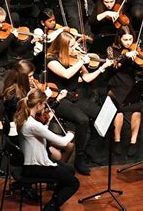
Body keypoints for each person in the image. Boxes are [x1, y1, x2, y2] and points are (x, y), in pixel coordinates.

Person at [46, 31, 113, 175]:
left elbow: (87, 78)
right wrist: (82, 61)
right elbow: (66, 74)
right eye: (71, 46)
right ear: (63, 46)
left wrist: (102, 68)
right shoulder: (51, 59)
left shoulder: (75, 58)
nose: (74, 49)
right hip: (59, 98)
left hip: (74, 96)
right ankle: (79, 157)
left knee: (100, 114)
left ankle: (92, 148)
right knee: (82, 120)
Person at [14, 88, 79, 210]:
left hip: (29, 164)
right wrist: (72, 133)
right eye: (44, 104)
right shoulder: (33, 124)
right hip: (36, 167)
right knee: (74, 183)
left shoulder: (25, 118)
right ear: (38, 105)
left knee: (69, 170)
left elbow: (39, 133)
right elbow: (63, 142)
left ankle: (54, 203)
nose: (44, 107)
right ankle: (51, 207)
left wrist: (46, 123)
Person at [106, 26, 143, 157]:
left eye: (130, 39)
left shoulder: (135, 49)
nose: (128, 42)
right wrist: (124, 56)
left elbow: (139, 73)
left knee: (136, 109)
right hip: (116, 83)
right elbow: (114, 65)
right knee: (119, 111)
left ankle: (133, 141)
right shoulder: (112, 49)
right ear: (119, 38)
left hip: (130, 84)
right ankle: (117, 140)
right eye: (125, 39)